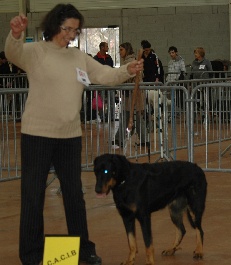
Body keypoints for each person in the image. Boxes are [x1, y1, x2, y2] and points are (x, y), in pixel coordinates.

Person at [5, 4, 143, 265]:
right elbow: (13, 53)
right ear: (54, 24)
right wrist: (15, 34)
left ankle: (83, 250)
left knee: (74, 194)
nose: (71, 34)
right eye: (67, 28)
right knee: (33, 195)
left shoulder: (78, 57)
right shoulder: (35, 52)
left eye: (75, 30)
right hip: (37, 135)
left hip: (69, 137)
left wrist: (127, 70)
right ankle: (32, 254)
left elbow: (106, 75)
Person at [114, 42, 147, 148]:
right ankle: (121, 139)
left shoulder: (130, 62)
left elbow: (127, 77)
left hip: (133, 94)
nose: (120, 52)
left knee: (130, 116)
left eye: (121, 50)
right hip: (130, 94)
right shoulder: (128, 61)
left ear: (127, 50)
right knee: (129, 116)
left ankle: (120, 139)